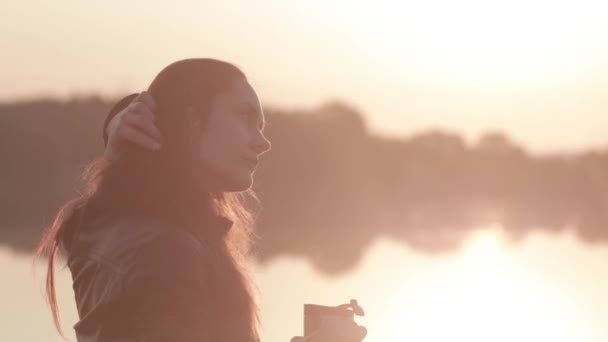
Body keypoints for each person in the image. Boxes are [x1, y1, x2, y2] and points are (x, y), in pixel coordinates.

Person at [34, 58, 367, 341]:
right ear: (191, 119)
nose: (262, 142)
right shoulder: (168, 253)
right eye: (245, 118)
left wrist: (122, 123)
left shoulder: (102, 227)